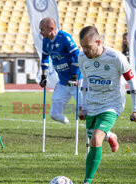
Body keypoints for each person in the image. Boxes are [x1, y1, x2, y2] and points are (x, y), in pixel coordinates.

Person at [78, 26, 136, 184]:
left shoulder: (116, 57)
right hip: (92, 104)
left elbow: (132, 81)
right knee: (95, 137)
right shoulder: (82, 58)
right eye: (82, 47)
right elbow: (84, 82)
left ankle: (86, 183)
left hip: (112, 104)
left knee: (95, 140)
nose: (84, 51)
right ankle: (111, 136)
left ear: (98, 42)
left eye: (88, 47)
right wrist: (83, 106)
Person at [39, 17, 119, 147]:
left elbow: (77, 55)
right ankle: (68, 123)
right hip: (63, 83)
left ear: (51, 29)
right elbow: (44, 58)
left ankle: (109, 135)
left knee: (87, 114)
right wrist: (43, 76)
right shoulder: (45, 41)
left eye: (42, 29)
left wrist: (75, 76)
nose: (40, 32)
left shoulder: (64, 37)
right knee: (54, 114)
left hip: (78, 83)